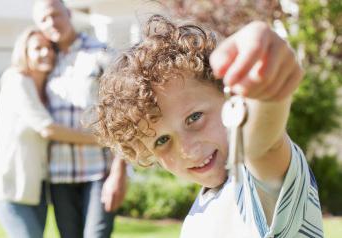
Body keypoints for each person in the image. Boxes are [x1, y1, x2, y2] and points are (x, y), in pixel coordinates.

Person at [91, 15, 323, 237]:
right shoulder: (201, 211)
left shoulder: (255, 183)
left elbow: (265, 145)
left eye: (194, 118)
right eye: (162, 140)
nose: (188, 150)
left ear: (228, 96)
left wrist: (267, 83)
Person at [0, 28, 99, 238]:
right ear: (24, 53)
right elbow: (47, 128)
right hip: (10, 189)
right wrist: (98, 140)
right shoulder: (16, 80)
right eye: (37, 48)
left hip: (36, 191)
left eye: (49, 48)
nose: (45, 52)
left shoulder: (48, 90)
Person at [32, 0, 127, 237]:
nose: (51, 22)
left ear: (68, 13)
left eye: (55, 14)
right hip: (59, 175)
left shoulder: (100, 53)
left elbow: (123, 114)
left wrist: (119, 171)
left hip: (99, 171)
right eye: (44, 19)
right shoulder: (45, 62)